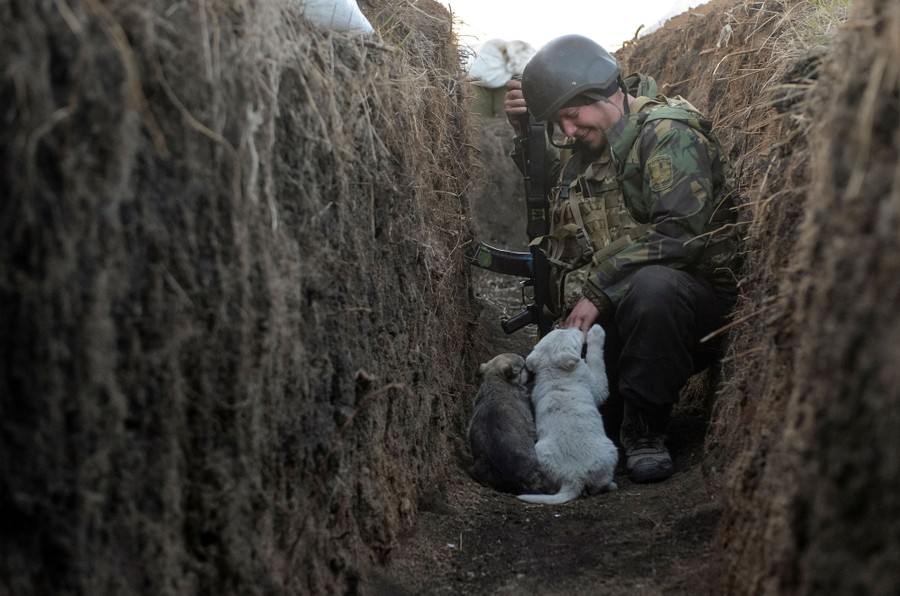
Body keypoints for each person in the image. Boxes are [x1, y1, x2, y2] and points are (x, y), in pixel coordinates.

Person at [503, 34, 741, 483]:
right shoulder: (594, 146)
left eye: (572, 116)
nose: (568, 132)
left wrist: (597, 290)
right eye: (560, 123)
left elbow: (681, 234)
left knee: (655, 287)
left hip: (689, 311)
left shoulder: (667, 135)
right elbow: (561, 199)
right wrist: (527, 133)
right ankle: (623, 413)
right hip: (625, 318)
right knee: (579, 419)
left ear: (602, 92)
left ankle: (646, 431)